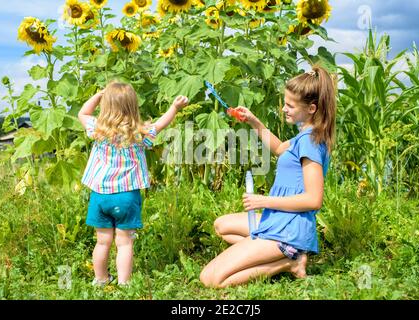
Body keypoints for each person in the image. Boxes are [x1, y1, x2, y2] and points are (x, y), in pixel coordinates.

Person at [200, 66, 336, 288]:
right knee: (221, 225)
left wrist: (265, 201)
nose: (284, 109)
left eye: (290, 105)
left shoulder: (311, 143)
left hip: (288, 230)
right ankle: (279, 254)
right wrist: (254, 121)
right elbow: (279, 148)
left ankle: (286, 261)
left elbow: (314, 200)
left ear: (311, 108)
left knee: (210, 279)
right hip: (278, 219)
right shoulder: (303, 137)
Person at [78, 81, 188, 286]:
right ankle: (124, 283)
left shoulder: (98, 130)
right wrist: (174, 107)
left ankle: (101, 279)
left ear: (106, 105)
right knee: (125, 243)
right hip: (127, 196)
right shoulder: (139, 133)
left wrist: (99, 95)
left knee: (102, 242)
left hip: (100, 195)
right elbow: (161, 124)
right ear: (133, 106)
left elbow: (82, 113)